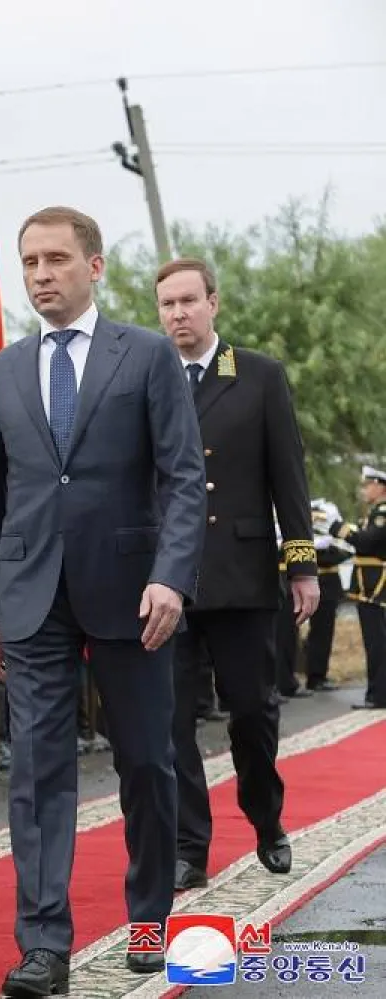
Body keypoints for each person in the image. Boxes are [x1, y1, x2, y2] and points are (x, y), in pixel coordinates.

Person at [0, 206, 206, 997]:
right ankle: (43, 945)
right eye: (30, 261)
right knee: (38, 771)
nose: (41, 274)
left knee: (145, 760)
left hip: (135, 594)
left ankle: (149, 918)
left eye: (57, 260)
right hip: (32, 594)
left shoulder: (144, 356)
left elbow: (182, 476)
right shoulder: (3, 371)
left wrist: (172, 575)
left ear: (95, 266)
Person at [154, 257, 317, 892]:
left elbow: (290, 477)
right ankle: (187, 847)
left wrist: (301, 567)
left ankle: (265, 817)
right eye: (167, 305)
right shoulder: (148, 378)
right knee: (169, 722)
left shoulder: (257, 376)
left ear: (213, 303)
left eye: (189, 302)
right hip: (168, 580)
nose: (178, 315)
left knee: (252, 711)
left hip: (243, 575)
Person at [323, 469, 386, 709]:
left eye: (368, 485)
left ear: (381, 487)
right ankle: (376, 692)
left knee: (377, 642)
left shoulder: (383, 513)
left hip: (375, 587)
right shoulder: (375, 513)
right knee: (374, 642)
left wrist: (337, 527)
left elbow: (368, 542)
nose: (364, 490)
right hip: (367, 586)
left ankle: (379, 695)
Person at [305, 499, 349, 692]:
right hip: (302, 580)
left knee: (323, 631)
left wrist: (323, 552)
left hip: (328, 582)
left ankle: (317, 676)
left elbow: (343, 549)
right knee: (284, 633)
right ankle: (284, 678)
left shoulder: (330, 510)